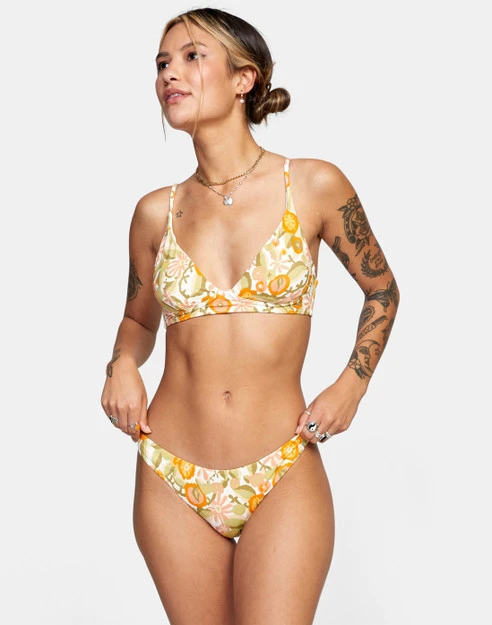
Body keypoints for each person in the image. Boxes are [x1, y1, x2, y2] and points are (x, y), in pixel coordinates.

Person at [101, 7, 400, 624]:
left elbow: (382, 290)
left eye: (192, 56)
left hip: (282, 465)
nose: (169, 74)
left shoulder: (312, 185)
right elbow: (138, 323)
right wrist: (121, 365)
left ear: (245, 78)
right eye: (162, 63)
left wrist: (352, 384)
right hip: (171, 473)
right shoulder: (155, 213)